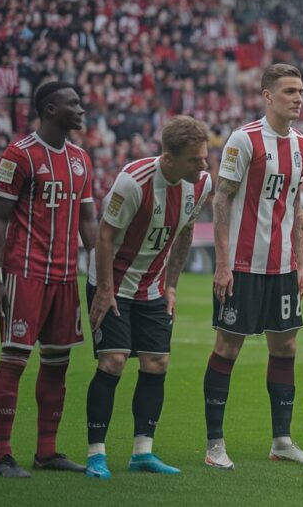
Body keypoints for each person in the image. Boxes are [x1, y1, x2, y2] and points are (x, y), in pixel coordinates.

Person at [203, 64, 303, 469]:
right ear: (267, 95)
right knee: (228, 347)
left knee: (285, 346)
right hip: (242, 264)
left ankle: (282, 440)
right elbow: (221, 199)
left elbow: (297, 206)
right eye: (289, 90)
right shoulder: (244, 139)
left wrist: (301, 264)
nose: (298, 98)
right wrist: (222, 263)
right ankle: (215, 444)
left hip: (284, 267)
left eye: (300, 90)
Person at [83, 116, 212, 479]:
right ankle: (96, 454)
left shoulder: (199, 184)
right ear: (168, 159)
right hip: (114, 284)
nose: (203, 165)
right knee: (113, 362)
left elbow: (185, 232)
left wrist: (171, 287)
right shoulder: (133, 181)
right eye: (195, 159)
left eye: (205, 157)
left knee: (157, 363)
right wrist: (105, 290)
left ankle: (143, 452)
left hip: (153, 286)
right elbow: (105, 237)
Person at [0, 81, 97, 477]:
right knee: (14, 360)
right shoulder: (18, 155)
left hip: (65, 278)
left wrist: (99, 272)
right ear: (51, 110)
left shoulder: (81, 158)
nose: (82, 109)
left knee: (57, 364)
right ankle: (3, 455)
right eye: (74, 103)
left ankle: (46, 452)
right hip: (25, 273)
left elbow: (88, 221)